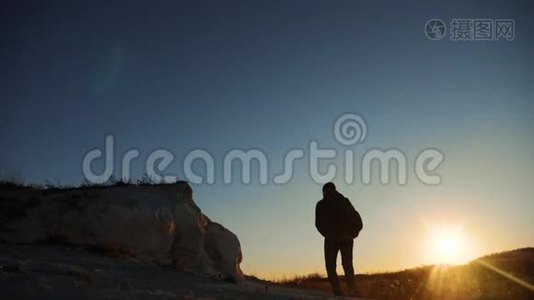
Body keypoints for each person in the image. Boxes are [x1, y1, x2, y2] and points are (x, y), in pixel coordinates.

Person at [315, 182, 362, 296]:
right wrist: (353, 234)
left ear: (325, 191)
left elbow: (318, 224)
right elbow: (358, 219)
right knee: (347, 265)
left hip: (332, 239)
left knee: (331, 267)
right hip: (347, 238)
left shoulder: (322, 204)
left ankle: (338, 293)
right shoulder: (344, 201)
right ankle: (352, 291)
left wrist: (328, 234)